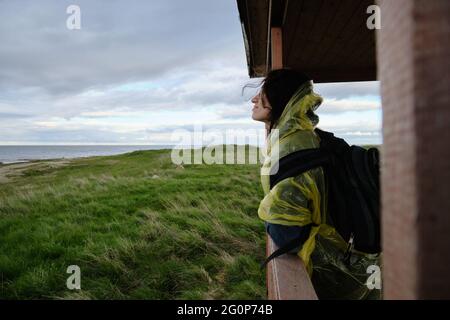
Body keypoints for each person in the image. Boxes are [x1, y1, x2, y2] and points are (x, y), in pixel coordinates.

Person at [251, 68, 381, 299]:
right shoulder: (314, 138)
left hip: (328, 274)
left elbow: (286, 236)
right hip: (351, 263)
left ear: (282, 98)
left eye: (262, 94)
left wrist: (269, 215)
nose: (253, 99)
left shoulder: (292, 151)